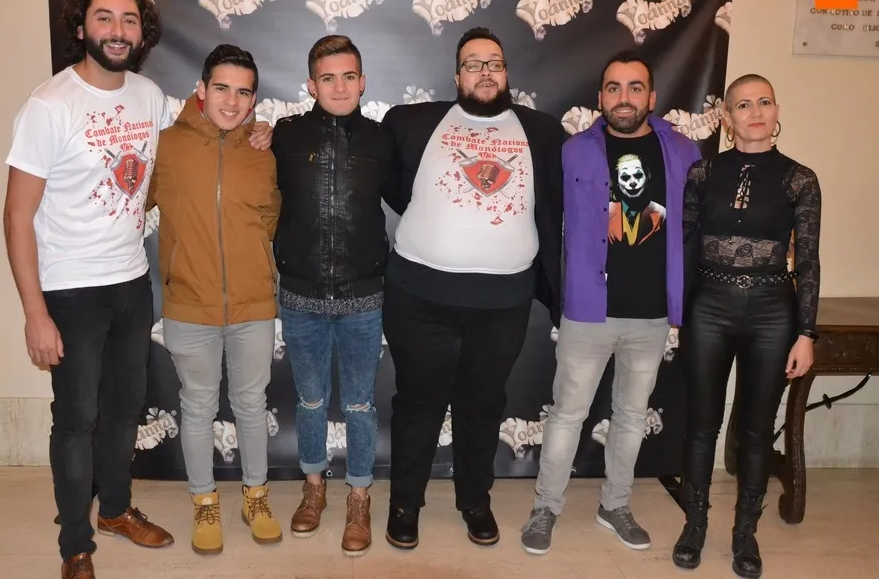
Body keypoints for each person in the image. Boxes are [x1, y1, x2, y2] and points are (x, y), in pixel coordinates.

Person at [2, 0, 271, 579]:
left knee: (124, 411)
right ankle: (76, 545)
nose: (117, 30)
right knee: (77, 420)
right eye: (105, 18)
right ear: (81, 27)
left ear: (141, 33)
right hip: (70, 288)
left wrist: (259, 131)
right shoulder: (49, 105)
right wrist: (35, 312)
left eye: (129, 20)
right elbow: (16, 215)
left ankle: (116, 510)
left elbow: (204, 137)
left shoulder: (149, 97)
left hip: (132, 281)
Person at [380, 27, 564, 550]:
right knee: (418, 404)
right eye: (473, 63)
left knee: (482, 406)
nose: (485, 72)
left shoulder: (542, 131)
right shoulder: (411, 123)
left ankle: (475, 502)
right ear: (457, 75)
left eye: (495, 63)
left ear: (507, 72)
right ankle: (404, 505)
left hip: (503, 303)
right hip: (419, 297)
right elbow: (389, 182)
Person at [520, 50, 701, 555]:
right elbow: (545, 221)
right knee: (566, 414)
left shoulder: (684, 151)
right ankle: (545, 508)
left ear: (652, 97)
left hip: (652, 314)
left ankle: (615, 505)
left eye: (635, 87)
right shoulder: (573, 151)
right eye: (614, 88)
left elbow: (696, 228)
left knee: (631, 415)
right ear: (600, 97)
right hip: (587, 310)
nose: (624, 97)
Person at [672, 74, 820, 579]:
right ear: (727, 117)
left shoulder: (800, 179)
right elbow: (681, 245)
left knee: (756, 431)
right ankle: (694, 526)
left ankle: (744, 534)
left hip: (773, 312)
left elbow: (809, 261)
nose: (755, 112)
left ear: (776, 111)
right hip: (709, 306)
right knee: (701, 424)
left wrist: (806, 332)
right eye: (743, 104)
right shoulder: (702, 172)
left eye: (764, 102)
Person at [144, 44, 283, 555]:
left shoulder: (263, 151)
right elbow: (128, 205)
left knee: (251, 404)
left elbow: (269, 218)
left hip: (253, 305)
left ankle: (256, 497)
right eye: (221, 88)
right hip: (189, 303)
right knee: (198, 406)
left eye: (243, 92)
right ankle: (204, 501)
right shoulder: (165, 146)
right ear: (201, 89)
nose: (231, 101)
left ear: (253, 99)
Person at [270, 35, 393, 557]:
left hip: (363, 296)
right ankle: (314, 486)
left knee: (361, 402)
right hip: (300, 296)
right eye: (327, 78)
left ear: (362, 83)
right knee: (310, 400)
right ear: (311, 84)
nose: (339, 87)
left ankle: (359, 495)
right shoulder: (284, 135)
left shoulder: (382, 140)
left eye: (348, 77)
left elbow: (412, 196)